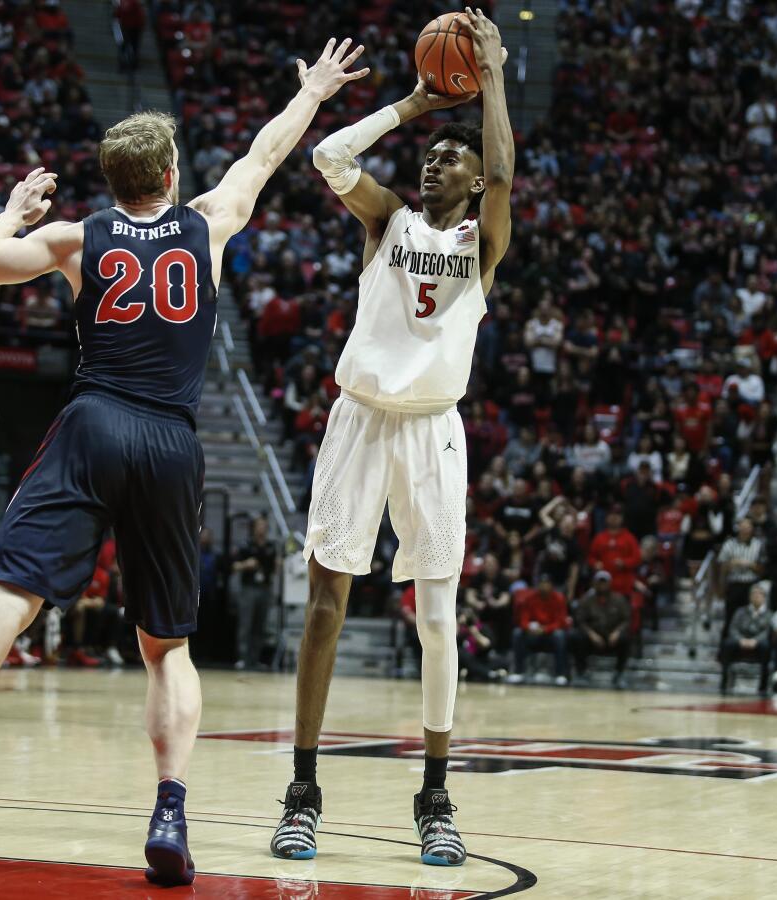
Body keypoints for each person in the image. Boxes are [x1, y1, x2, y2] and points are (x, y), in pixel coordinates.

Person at [0, 40, 370, 890]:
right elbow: (267, 152)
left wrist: (13, 211)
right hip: (169, 437)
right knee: (167, 648)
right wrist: (309, 91)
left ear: (116, 179)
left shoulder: (78, 238)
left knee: (10, 600)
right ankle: (168, 811)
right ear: (167, 172)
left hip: (93, 422)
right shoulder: (209, 222)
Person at [273, 9, 512, 868]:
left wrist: (492, 79)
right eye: (429, 154)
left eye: (452, 155)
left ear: (476, 182)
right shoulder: (389, 224)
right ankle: (303, 790)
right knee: (327, 607)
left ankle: (436, 797)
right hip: (361, 421)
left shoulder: (482, 245)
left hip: (433, 435)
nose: (434, 160)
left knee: (438, 620)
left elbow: (506, 173)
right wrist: (412, 106)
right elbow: (328, 159)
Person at [231, 516, 278, 670]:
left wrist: (278, 565)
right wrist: (246, 564)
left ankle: (255, 659)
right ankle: (242, 658)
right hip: (248, 589)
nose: (261, 529)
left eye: (264, 526)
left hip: (265, 588)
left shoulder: (271, 546)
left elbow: (275, 569)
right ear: (254, 528)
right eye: (259, 525)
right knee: (246, 624)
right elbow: (234, 566)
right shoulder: (245, 545)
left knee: (260, 625)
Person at [508, 571, 570, 685]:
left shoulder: (559, 599)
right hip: (533, 634)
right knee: (517, 633)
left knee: (560, 635)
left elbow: (560, 622)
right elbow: (523, 620)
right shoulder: (529, 598)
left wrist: (545, 629)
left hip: (550, 634)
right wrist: (529, 628)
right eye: (541, 583)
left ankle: (561, 674)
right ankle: (518, 672)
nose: (544, 586)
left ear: (552, 585)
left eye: (546, 583)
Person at [572, 570, 632, 688]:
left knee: (625, 639)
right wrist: (591, 634)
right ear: (595, 584)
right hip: (593, 637)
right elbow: (579, 621)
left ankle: (619, 674)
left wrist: (617, 632)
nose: (602, 585)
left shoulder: (619, 599)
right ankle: (581, 673)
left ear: (609, 584)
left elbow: (626, 620)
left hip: (611, 637)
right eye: (599, 582)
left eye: (604, 583)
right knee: (577, 637)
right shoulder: (586, 600)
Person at [720, 584, 772, 695]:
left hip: (758, 643)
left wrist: (755, 641)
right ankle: (724, 680)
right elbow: (733, 628)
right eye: (753, 594)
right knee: (727, 643)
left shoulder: (769, 614)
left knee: (766, 646)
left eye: (759, 594)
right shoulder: (740, 611)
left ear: (764, 597)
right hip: (741, 641)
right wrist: (741, 640)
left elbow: (767, 632)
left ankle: (763, 686)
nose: (756, 596)